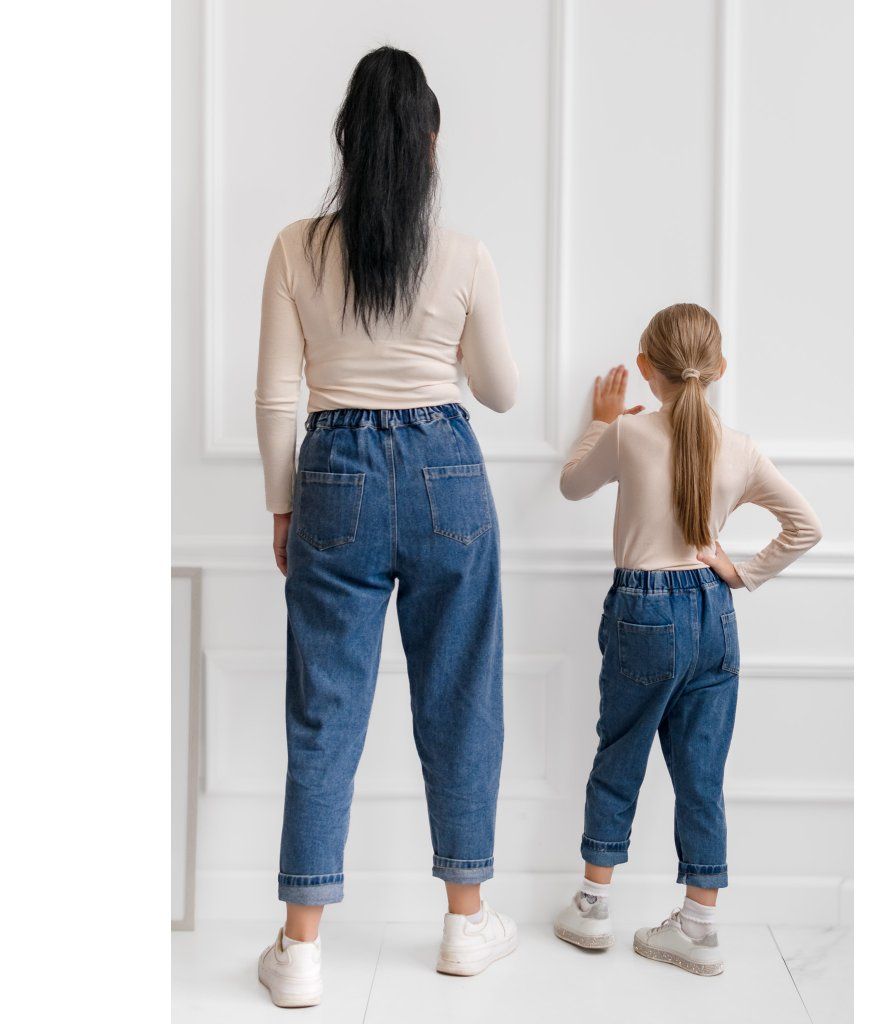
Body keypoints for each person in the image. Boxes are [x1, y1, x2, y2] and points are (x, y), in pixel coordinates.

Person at [253, 47, 519, 1008]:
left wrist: (284, 505)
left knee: (325, 709)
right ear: (430, 145)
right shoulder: (464, 256)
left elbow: (275, 398)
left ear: (347, 140)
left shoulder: (296, 247)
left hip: (335, 476)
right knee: (461, 697)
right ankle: (465, 924)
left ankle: (300, 950)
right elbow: (500, 391)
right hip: (447, 471)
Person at [552, 303, 822, 975]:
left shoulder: (629, 433)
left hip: (644, 613)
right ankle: (699, 928)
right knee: (702, 773)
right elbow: (806, 526)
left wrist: (601, 421)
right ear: (720, 367)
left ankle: (592, 908)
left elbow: (571, 484)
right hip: (713, 614)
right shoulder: (742, 448)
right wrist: (742, 572)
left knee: (620, 755)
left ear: (647, 369)